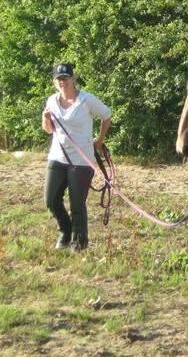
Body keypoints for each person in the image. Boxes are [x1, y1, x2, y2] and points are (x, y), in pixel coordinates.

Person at [41, 63, 111, 251]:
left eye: (65, 78)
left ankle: (79, 242)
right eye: (59, 79)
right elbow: (49, 130)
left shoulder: (86, 100)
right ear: (54, 82)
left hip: (81, 161)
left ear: (73, 79)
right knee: (51, 199)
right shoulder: (51, 101)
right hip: (57, 157)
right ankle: (65, 231)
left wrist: (99, 139)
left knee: (76, 203)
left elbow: (106, 115)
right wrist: (46, 119)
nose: (62, 82)